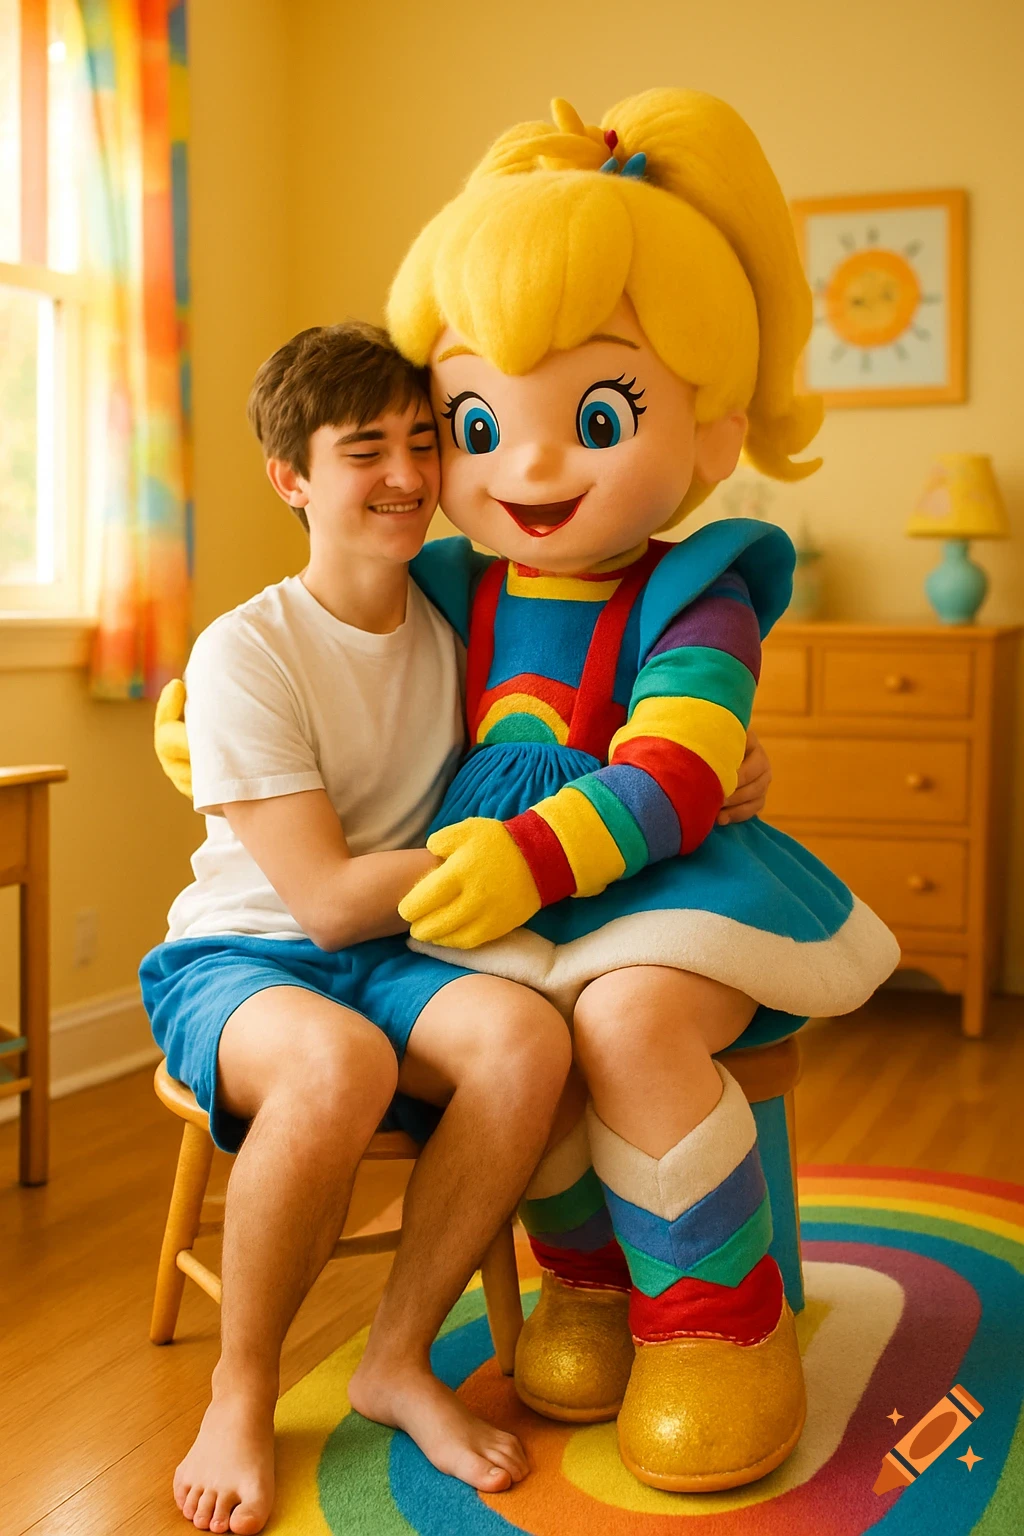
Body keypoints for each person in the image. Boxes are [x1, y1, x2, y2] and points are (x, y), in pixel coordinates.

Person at [385, 90, 901, 1491]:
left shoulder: (697, 587)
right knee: (514, 1036)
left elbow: (678, 768)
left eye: (597, 413)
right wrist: (227, 711)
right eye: (476, 420)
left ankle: (719, 1327)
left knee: (627, 1017)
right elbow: (325, 662)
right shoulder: (442, 585)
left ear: (714, 430)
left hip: (660, 879)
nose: (528, 464)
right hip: (504, 889)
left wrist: (539, 857)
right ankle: (588, 1287)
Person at [140, 321, 579, 1536]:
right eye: (364, 448)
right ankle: (243, 1388)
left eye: (422, 440)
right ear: (293, 478)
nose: (406, 473)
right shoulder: (248, 648)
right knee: (339, 1065)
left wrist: (716, 771)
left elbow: (601, 702)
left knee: (526, 1041)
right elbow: (325, 899)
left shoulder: (463, 622)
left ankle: (395, 1362)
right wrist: (502, 853)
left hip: (401, 949)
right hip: (242, 955)